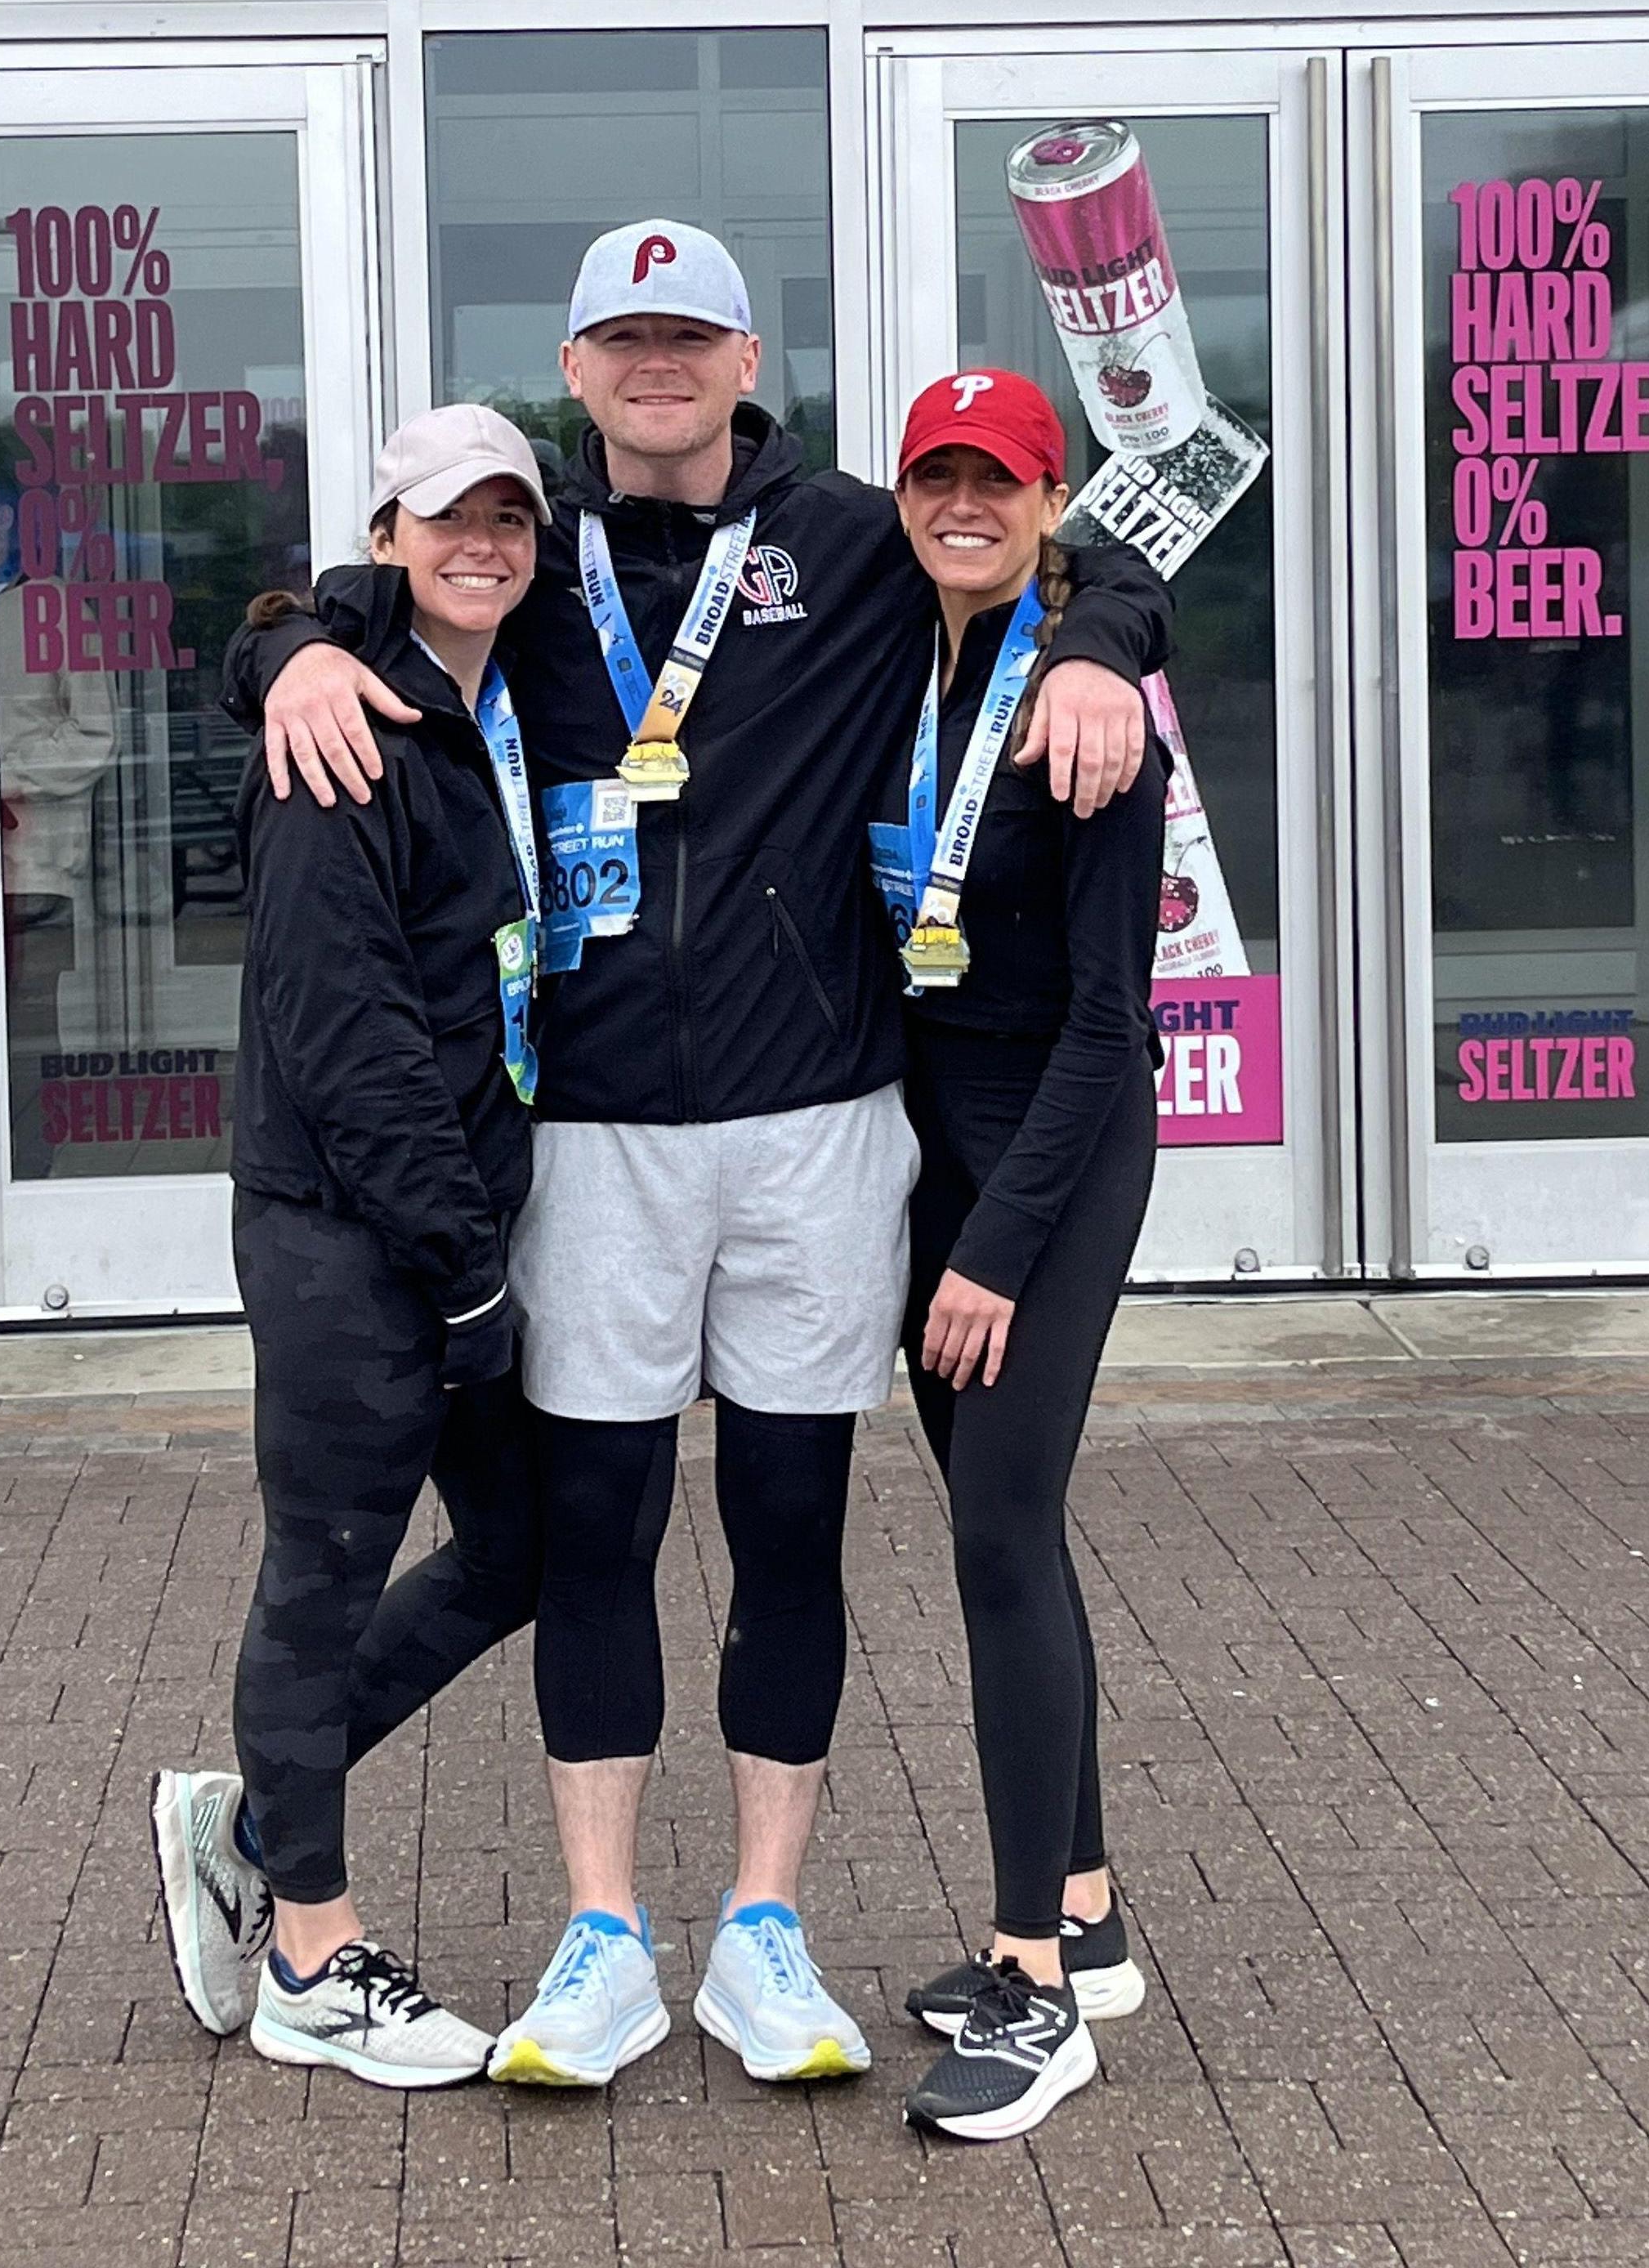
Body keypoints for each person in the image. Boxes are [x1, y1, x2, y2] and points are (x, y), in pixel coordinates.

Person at [241, 222, 1173, 2091]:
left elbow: (1080, 558)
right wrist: (280, 653)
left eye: (690, 334)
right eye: (622, 336)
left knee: (788, 1525)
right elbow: (355, 597)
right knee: (596, 1529)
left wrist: (1098, 645)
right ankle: (601, 1934)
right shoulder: (522, 549)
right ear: (572, 369)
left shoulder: (852, 536)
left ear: (750, 360)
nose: (656, 363)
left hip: (818, 1126)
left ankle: (764, 1926)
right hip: (594, 1139)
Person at [150, 405, 553, 2089]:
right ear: (386, 537)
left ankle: (251, 1822)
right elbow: (346, 1035)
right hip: (352, 1236)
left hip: (449, 1224)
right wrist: (461, 1265)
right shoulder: (341, 731)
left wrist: (283, 640)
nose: (483, 545)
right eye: (447, 518)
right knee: (320, 1575)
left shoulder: (481, 697)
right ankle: (310, 1954)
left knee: (525, 1544)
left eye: (510, 519)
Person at [869, 372, 1169, 2142]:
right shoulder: (888, 651)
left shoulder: (1087, 706)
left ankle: (1033, 1987)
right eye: (937, 477)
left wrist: (990, 1250)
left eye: (1000, 479)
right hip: (926, 1152)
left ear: (1051, 501)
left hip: (1053, 1153)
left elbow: (1110, 1023)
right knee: (1009, 1526)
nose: (964, 505)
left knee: (995, 1528)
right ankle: (1088, 1906)